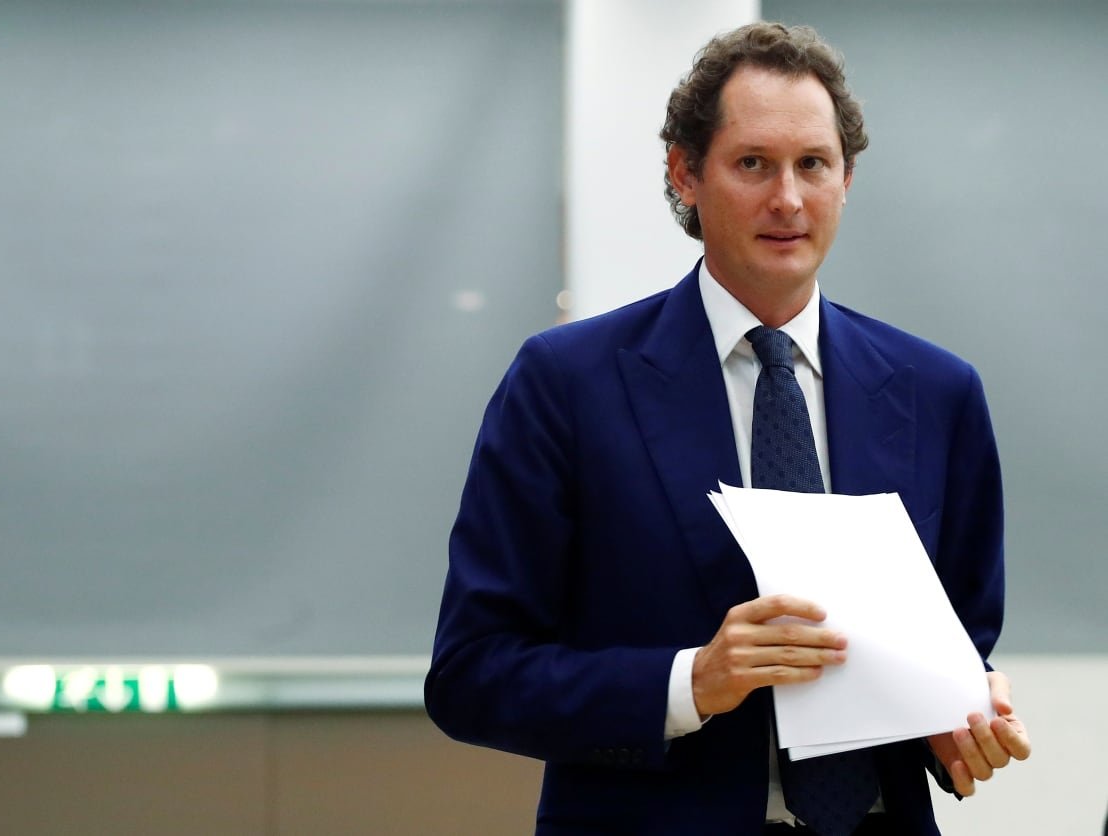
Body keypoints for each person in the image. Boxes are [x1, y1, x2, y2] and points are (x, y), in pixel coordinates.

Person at [426, 21, 1030, 835]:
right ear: (686, 173)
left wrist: (964, 717)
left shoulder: (939, 392)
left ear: (846, 178)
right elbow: (473, 674)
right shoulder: (566, 384)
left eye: (812, 164)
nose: (787, 198)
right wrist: (689, 684)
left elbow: (960, 647)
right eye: (753, 164)